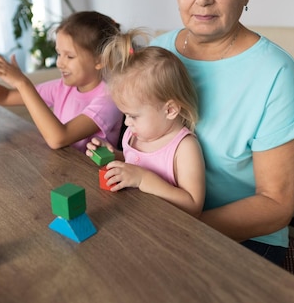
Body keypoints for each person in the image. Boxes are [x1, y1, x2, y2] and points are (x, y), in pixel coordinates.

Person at [150, 0, 294, 265]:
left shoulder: (275, 73)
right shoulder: (158, 53)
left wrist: (181, 229)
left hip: (245, 242)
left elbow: (275, 206)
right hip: (161, 218)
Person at [0, 11, 124, 153]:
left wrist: (22, 83)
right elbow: (5, 97)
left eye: (70, 56)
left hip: (93, 181)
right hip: (64, 169)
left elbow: (59, 138)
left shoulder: (109, 99)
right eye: (59, 54)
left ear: (99, 60)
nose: (60, 63)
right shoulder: (61, 88)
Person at [86, 29, 205, 217]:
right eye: (125, 114)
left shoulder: (184, 147)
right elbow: (132, 162)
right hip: (133, 218)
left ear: (170, 110)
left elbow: (193, 205)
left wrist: (143, 180)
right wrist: (113, 155)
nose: (127, 122)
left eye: (133, 116)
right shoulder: (134, 134)